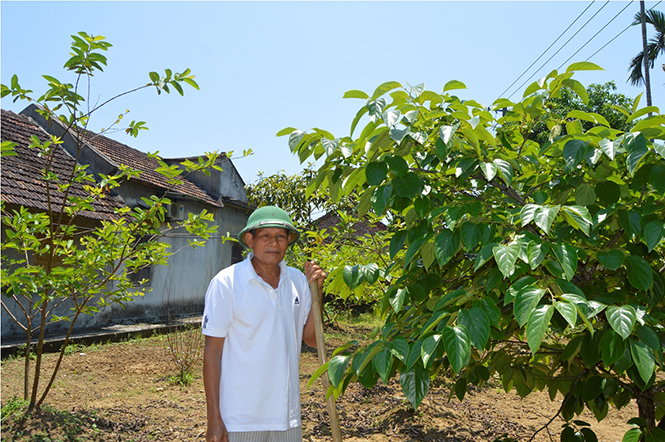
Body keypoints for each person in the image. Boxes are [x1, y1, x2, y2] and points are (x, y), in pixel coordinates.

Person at [202, 206, 325, 442]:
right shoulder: (227, 282)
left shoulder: (298, 280)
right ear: (250, 240)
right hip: (239, 419)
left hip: (287, 417)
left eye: (280, 236)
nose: (274, 243)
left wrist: (316, 292)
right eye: (265, 236)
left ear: (288, 241)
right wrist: (214, 419)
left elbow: (310, 338)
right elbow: (213, 351)